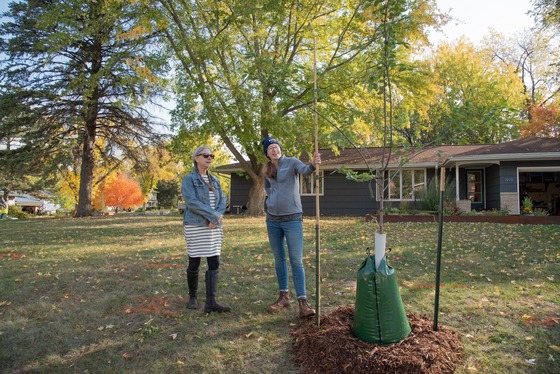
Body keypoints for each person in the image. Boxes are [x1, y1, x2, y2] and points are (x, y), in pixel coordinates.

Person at [262, 136, 321, 318]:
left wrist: (313, 164)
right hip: (272, 220)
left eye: (276, 146)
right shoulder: (267, 169)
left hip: (292, 219)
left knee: (296, 260)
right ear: (267, 153)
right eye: (270, 148)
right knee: (279, 259)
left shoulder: (292, 162)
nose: (274, 150)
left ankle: (302, 302)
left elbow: (306, 171)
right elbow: (267, 189)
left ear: (280, 148)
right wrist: (269, 205)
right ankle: (283, 296)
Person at [181, 146, 230, 313]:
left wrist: (215, 218)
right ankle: (193, 297)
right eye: (205, 155)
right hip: (195, 225)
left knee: (214, 261)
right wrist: (212, 216)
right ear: (196, 158)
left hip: (213, 227)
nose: (209, 158)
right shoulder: (189, 179)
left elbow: (223, 199)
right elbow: (192, 202)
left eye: (211, 155)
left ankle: (211, 302)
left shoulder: (215, 180)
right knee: (194, 261)